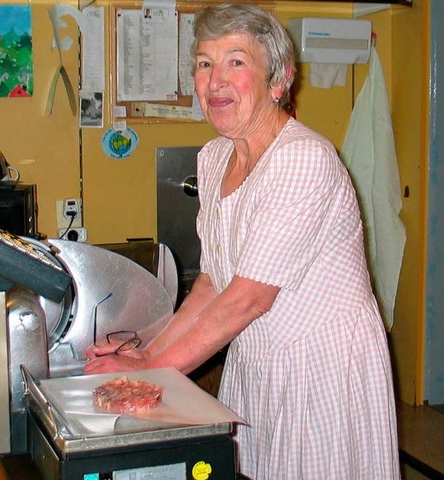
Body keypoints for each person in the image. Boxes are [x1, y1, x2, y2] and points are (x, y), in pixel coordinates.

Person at [85, 3, 400, 479]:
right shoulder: (213, 159)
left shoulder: (303, 160)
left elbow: (249, 298)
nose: (215, 81)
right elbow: (213, 284)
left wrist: (147, 376)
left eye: (236, 61)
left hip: (321, 366)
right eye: (205, 64)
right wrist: (148, 356)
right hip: (257, 358)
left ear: (278, 81)